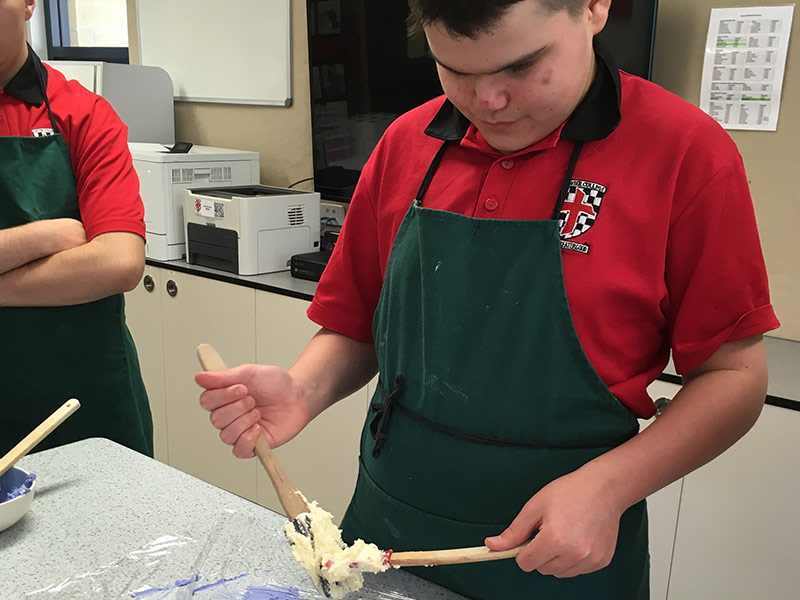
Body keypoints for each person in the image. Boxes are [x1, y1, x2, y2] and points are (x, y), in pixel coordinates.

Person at [195, 0, 780, 598]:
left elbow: (733, 375)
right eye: (454, 70)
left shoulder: (684, 153)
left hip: (563, 552)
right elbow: (357, 322)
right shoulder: (406, 143)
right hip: (386, 528)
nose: (486, 101)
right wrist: (302, 388)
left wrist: (610, 487)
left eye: (522, 67)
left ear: (595, 8)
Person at [0, 0, 153, 457]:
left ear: (29, 4)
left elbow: (119, 263)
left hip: (87, 408)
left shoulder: (85, 115)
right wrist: (48, 237)